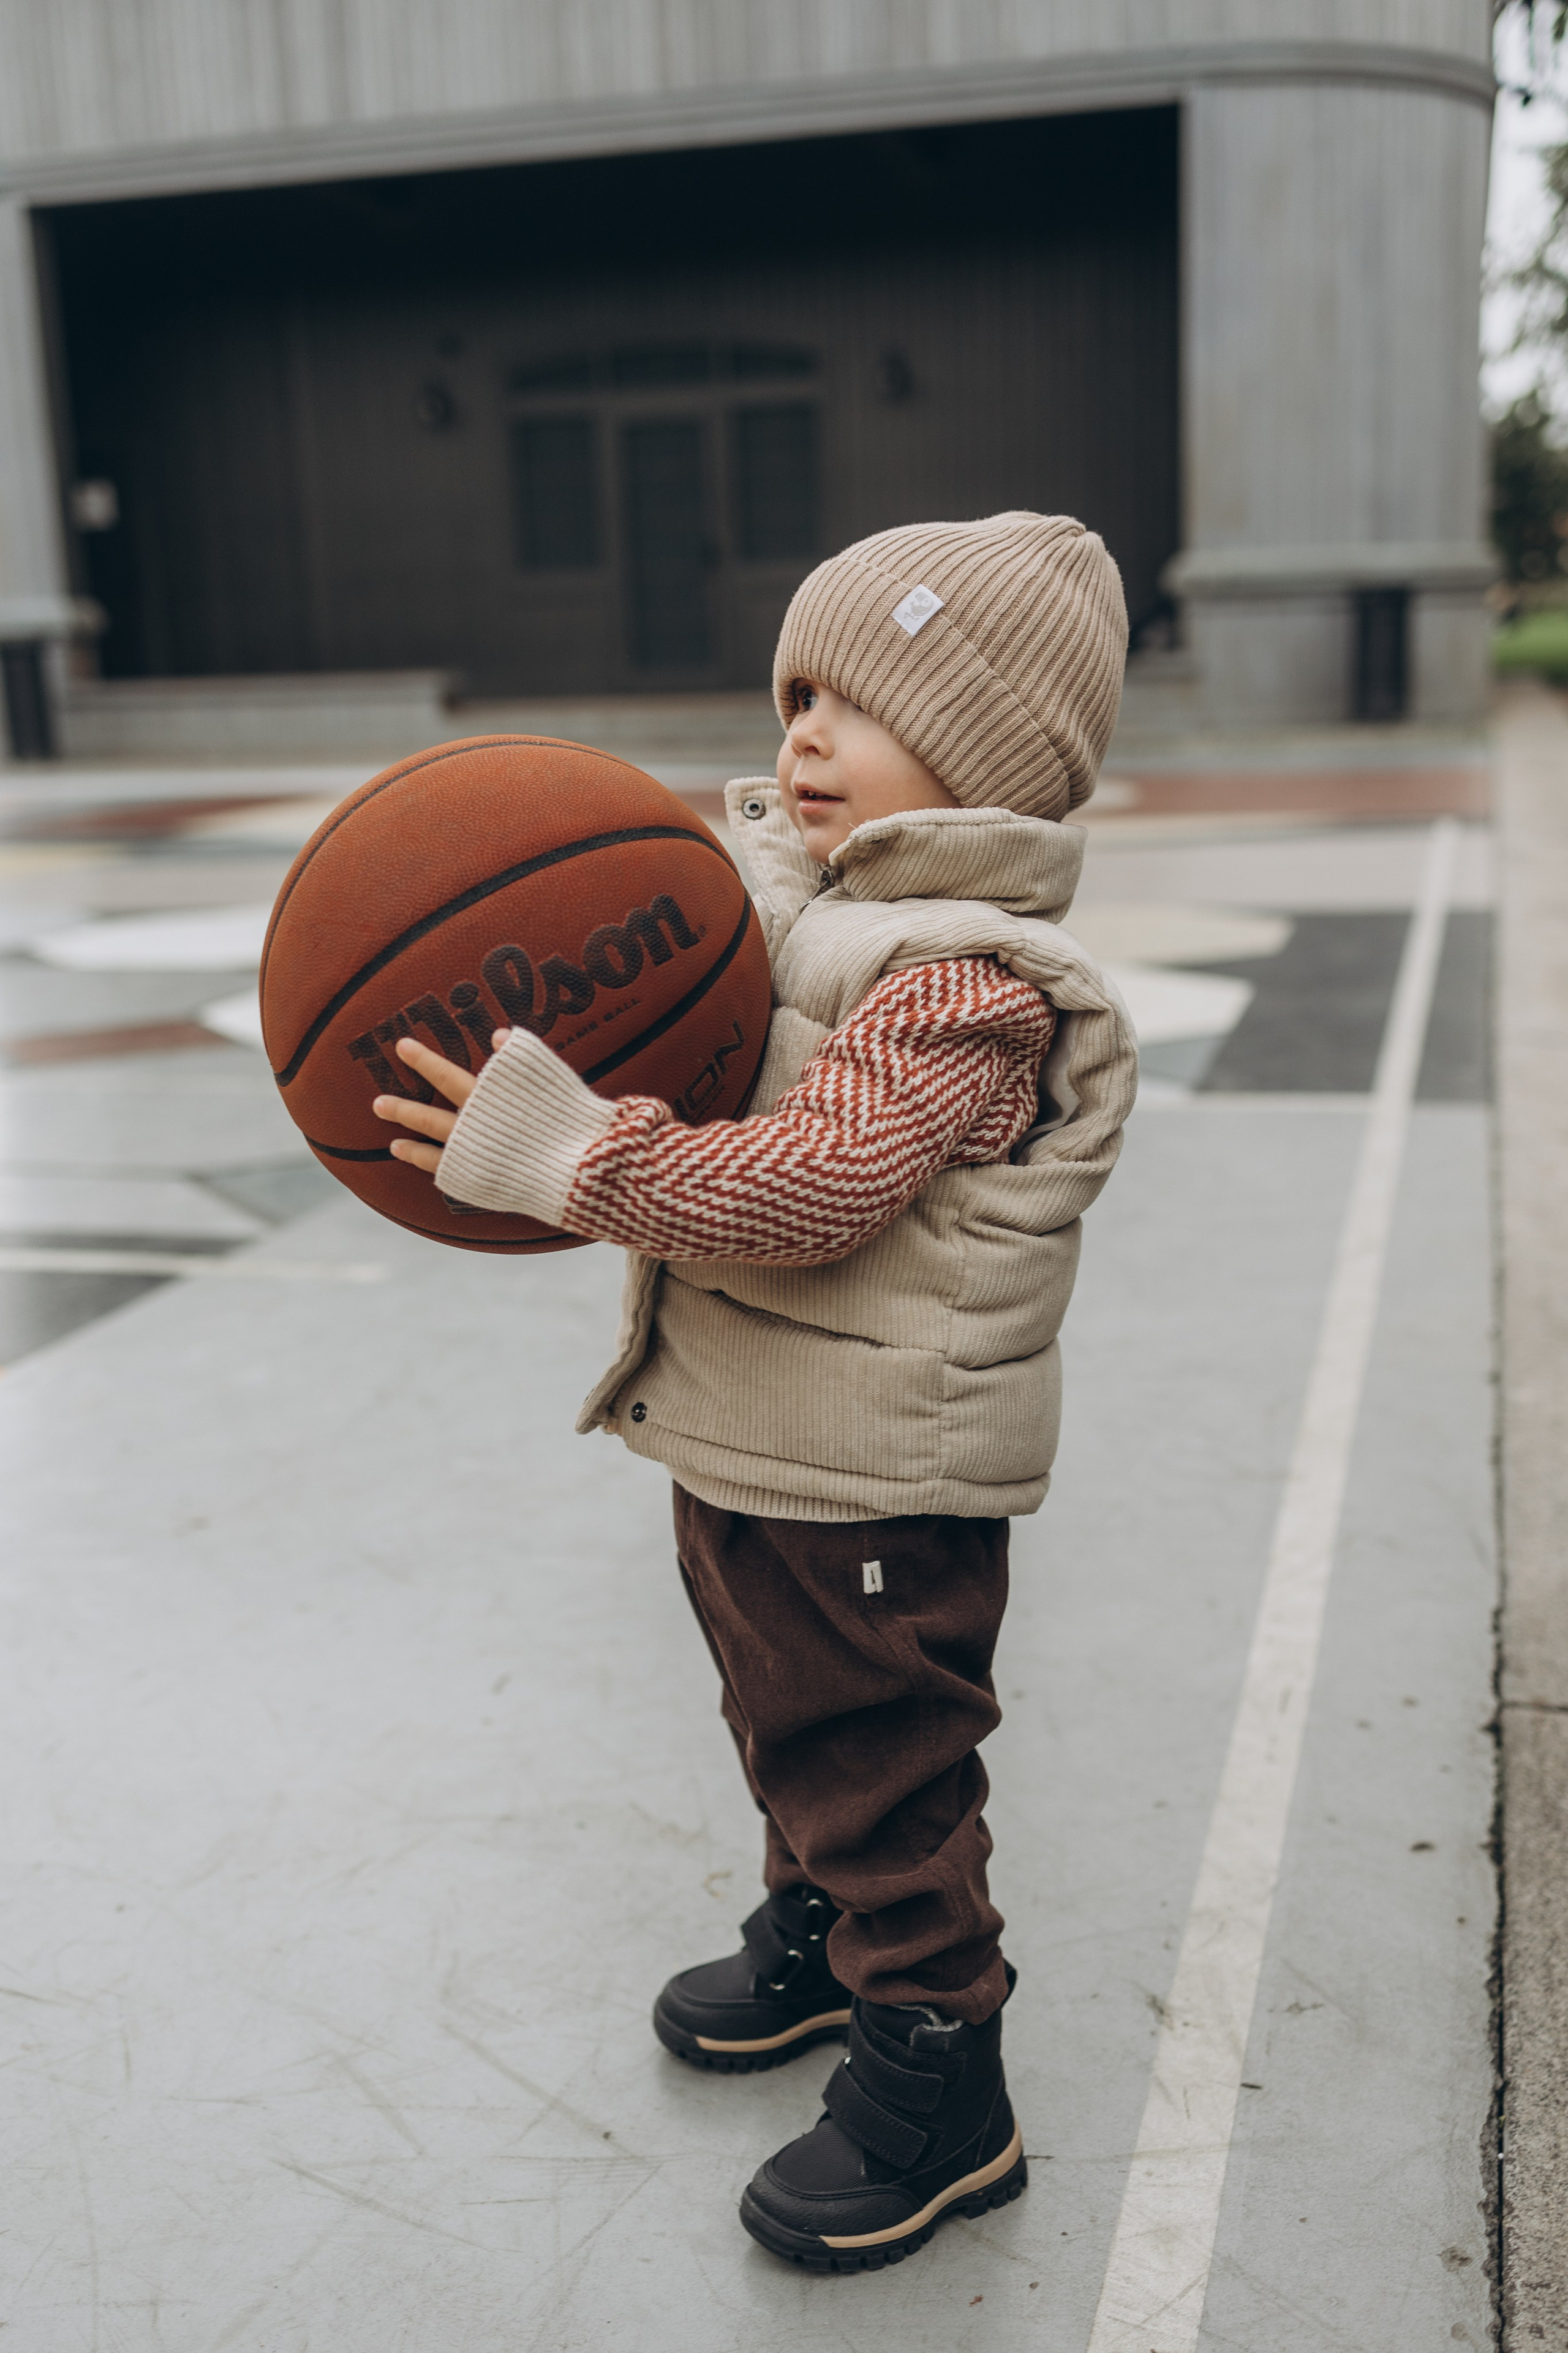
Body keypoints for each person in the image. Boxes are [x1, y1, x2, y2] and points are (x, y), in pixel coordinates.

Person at [372, 512, 1137, 2273]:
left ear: (990, 748)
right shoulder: (830, 914)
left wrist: (575, 1155)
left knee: (876, 1756)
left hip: (874, 1470)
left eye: (853, 700)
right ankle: (821, 1934)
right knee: (779, 1713)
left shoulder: (961, 981)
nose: (797, 731)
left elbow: (817, 1188)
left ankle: (944, 2069)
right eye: (795, 687)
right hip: (757, 1429)